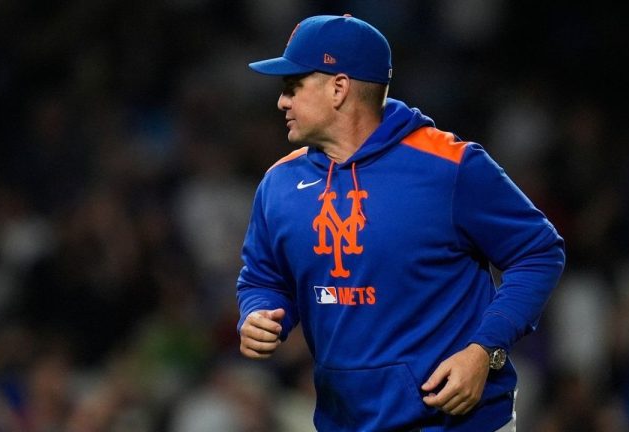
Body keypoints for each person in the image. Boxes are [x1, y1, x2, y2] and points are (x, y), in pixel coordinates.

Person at [236, 14, 565, 432]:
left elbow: (538, 252)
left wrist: (485, 350)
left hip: (459, 423)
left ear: (339, 88)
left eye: (293, 86)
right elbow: (263, 277)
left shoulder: (450, 166)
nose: (282, 102)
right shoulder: (279, 184)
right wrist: (260, 313)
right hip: (346, 422)